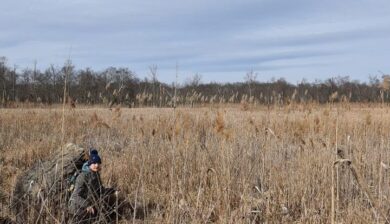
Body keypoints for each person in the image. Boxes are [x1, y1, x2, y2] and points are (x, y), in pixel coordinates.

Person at [68, 149, 114, 223]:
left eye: (98, 163)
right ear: (89, 164)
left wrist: (112, 190)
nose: (96, 165)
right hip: (77, 210)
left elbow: (100, 191)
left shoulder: (96, 175)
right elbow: (75, 196)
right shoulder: (82, 176)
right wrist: (87, 205)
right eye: (94, 163)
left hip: (88, 209)